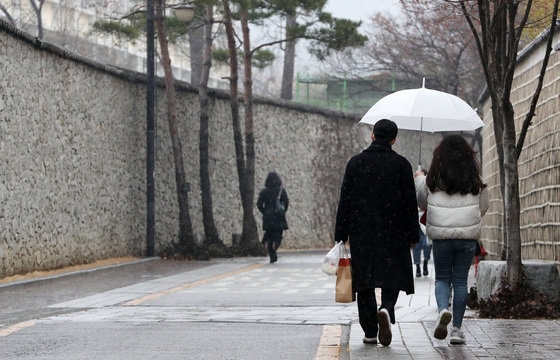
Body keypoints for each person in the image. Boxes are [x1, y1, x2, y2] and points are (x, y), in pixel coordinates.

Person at [334, 119, 419, 347]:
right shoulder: (402, 165)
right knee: (392, 275)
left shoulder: (356, 163)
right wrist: (413, 234)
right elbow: (410, 203)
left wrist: (340, 233)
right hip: (394, 231)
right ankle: (387, 308)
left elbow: (346, 201)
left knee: (365, 281)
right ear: (394, 140)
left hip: (363, 233)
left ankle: (370, 331)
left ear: (372, 135)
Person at [414, 134, 489, 345]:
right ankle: (456, 330)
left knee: (442, 279)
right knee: (460, 281)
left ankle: (442, 311)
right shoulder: (477, 181)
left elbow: (422, 203)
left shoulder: (432, 180)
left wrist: (419, 178)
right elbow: (483, 208)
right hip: (466, 238)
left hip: (441, 237)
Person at [257, 172, 289, 263]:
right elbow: (286, 203)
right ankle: (276, 245)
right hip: (279, 217)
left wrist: (265, 212)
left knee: (269, 235)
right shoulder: (281, 191)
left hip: (268, 217)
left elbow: (259, 204)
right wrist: (282, 211)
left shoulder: (264, 192)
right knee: (279, 234)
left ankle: (272, 253)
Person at [413, 168, 432, 277]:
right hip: (416, 222)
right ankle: (417, 267)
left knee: (426, 245)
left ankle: (425, 262)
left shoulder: (426, 186)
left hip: (425, 221)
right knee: (416, 245)